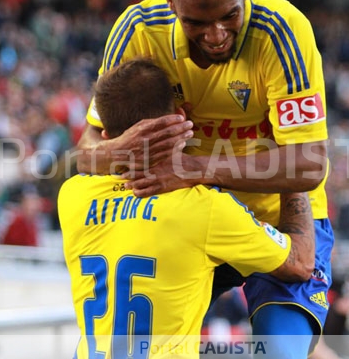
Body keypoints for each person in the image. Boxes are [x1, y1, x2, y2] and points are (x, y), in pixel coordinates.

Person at [76, 0, 333, 356]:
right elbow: (87, 154)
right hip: (189, 214)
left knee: (280, 350)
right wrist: (117, 149)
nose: (216, 35)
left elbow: (310, 166)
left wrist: (194, 169)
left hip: (277, 210)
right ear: (169, 1)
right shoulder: (138, 29)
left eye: (230, 15)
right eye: (196, 22)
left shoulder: (283, 29)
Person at [59, 57, 316, 358]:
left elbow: (89, 160)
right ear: (181, 117)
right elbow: (300, 263)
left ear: (106, 136)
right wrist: (291, 169)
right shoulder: (204, 208)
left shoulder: (72, 197)